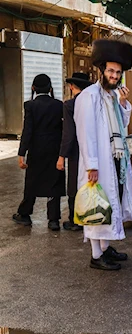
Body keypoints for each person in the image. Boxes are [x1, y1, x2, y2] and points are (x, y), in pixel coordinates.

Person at [74, 39, 132, 270]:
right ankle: (95, 255)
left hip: (114, 160)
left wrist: (123, 103)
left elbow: (122, 127)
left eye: (118, 72)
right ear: (101, 70)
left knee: (110, 205)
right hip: (98, 162)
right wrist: (91, 165)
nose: (114, 75)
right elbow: (86, 133)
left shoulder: (112, 96)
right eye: (111, 71)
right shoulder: (89, 96)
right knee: (96, 207)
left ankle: (104, 247)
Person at [13, 74, 66, 231]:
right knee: (54, 182)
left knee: (32, 183)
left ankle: (25, 214)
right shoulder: (59, 105)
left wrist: (21, 153)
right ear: (50, 89)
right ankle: (53, 220)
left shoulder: (30, 105)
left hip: (36, 151)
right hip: (55, 150)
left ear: (33, 88)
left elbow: (27, 131)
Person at [57, 72, 93, 231]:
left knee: (74, 184)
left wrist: (61, 156)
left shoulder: (69, 105)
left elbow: (68, 133)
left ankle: (75, 220)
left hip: (76, 151)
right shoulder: (92, 102)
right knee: (90, 183)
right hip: (92, 148)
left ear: (72, 87)